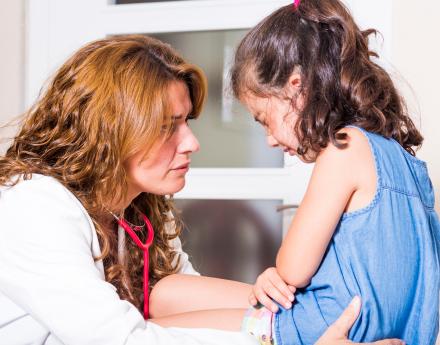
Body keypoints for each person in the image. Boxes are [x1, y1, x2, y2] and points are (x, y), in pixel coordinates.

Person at [0, 34, 400, 345]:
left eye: (186, 121)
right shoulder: (32, 206)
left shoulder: (137, 212)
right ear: (110, 131)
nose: (191, 143)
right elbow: (122, 340)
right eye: (166, 125)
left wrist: (289, 309)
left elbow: (184, 303)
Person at [228, 0, 439, 344]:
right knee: (169, 296)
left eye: (264, 119)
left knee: (162, 317)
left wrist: (274, 273)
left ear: (295, 86)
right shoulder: (407, 165)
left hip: (310, 331)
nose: (268, 140)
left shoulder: (345, 147)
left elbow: (292, 270)